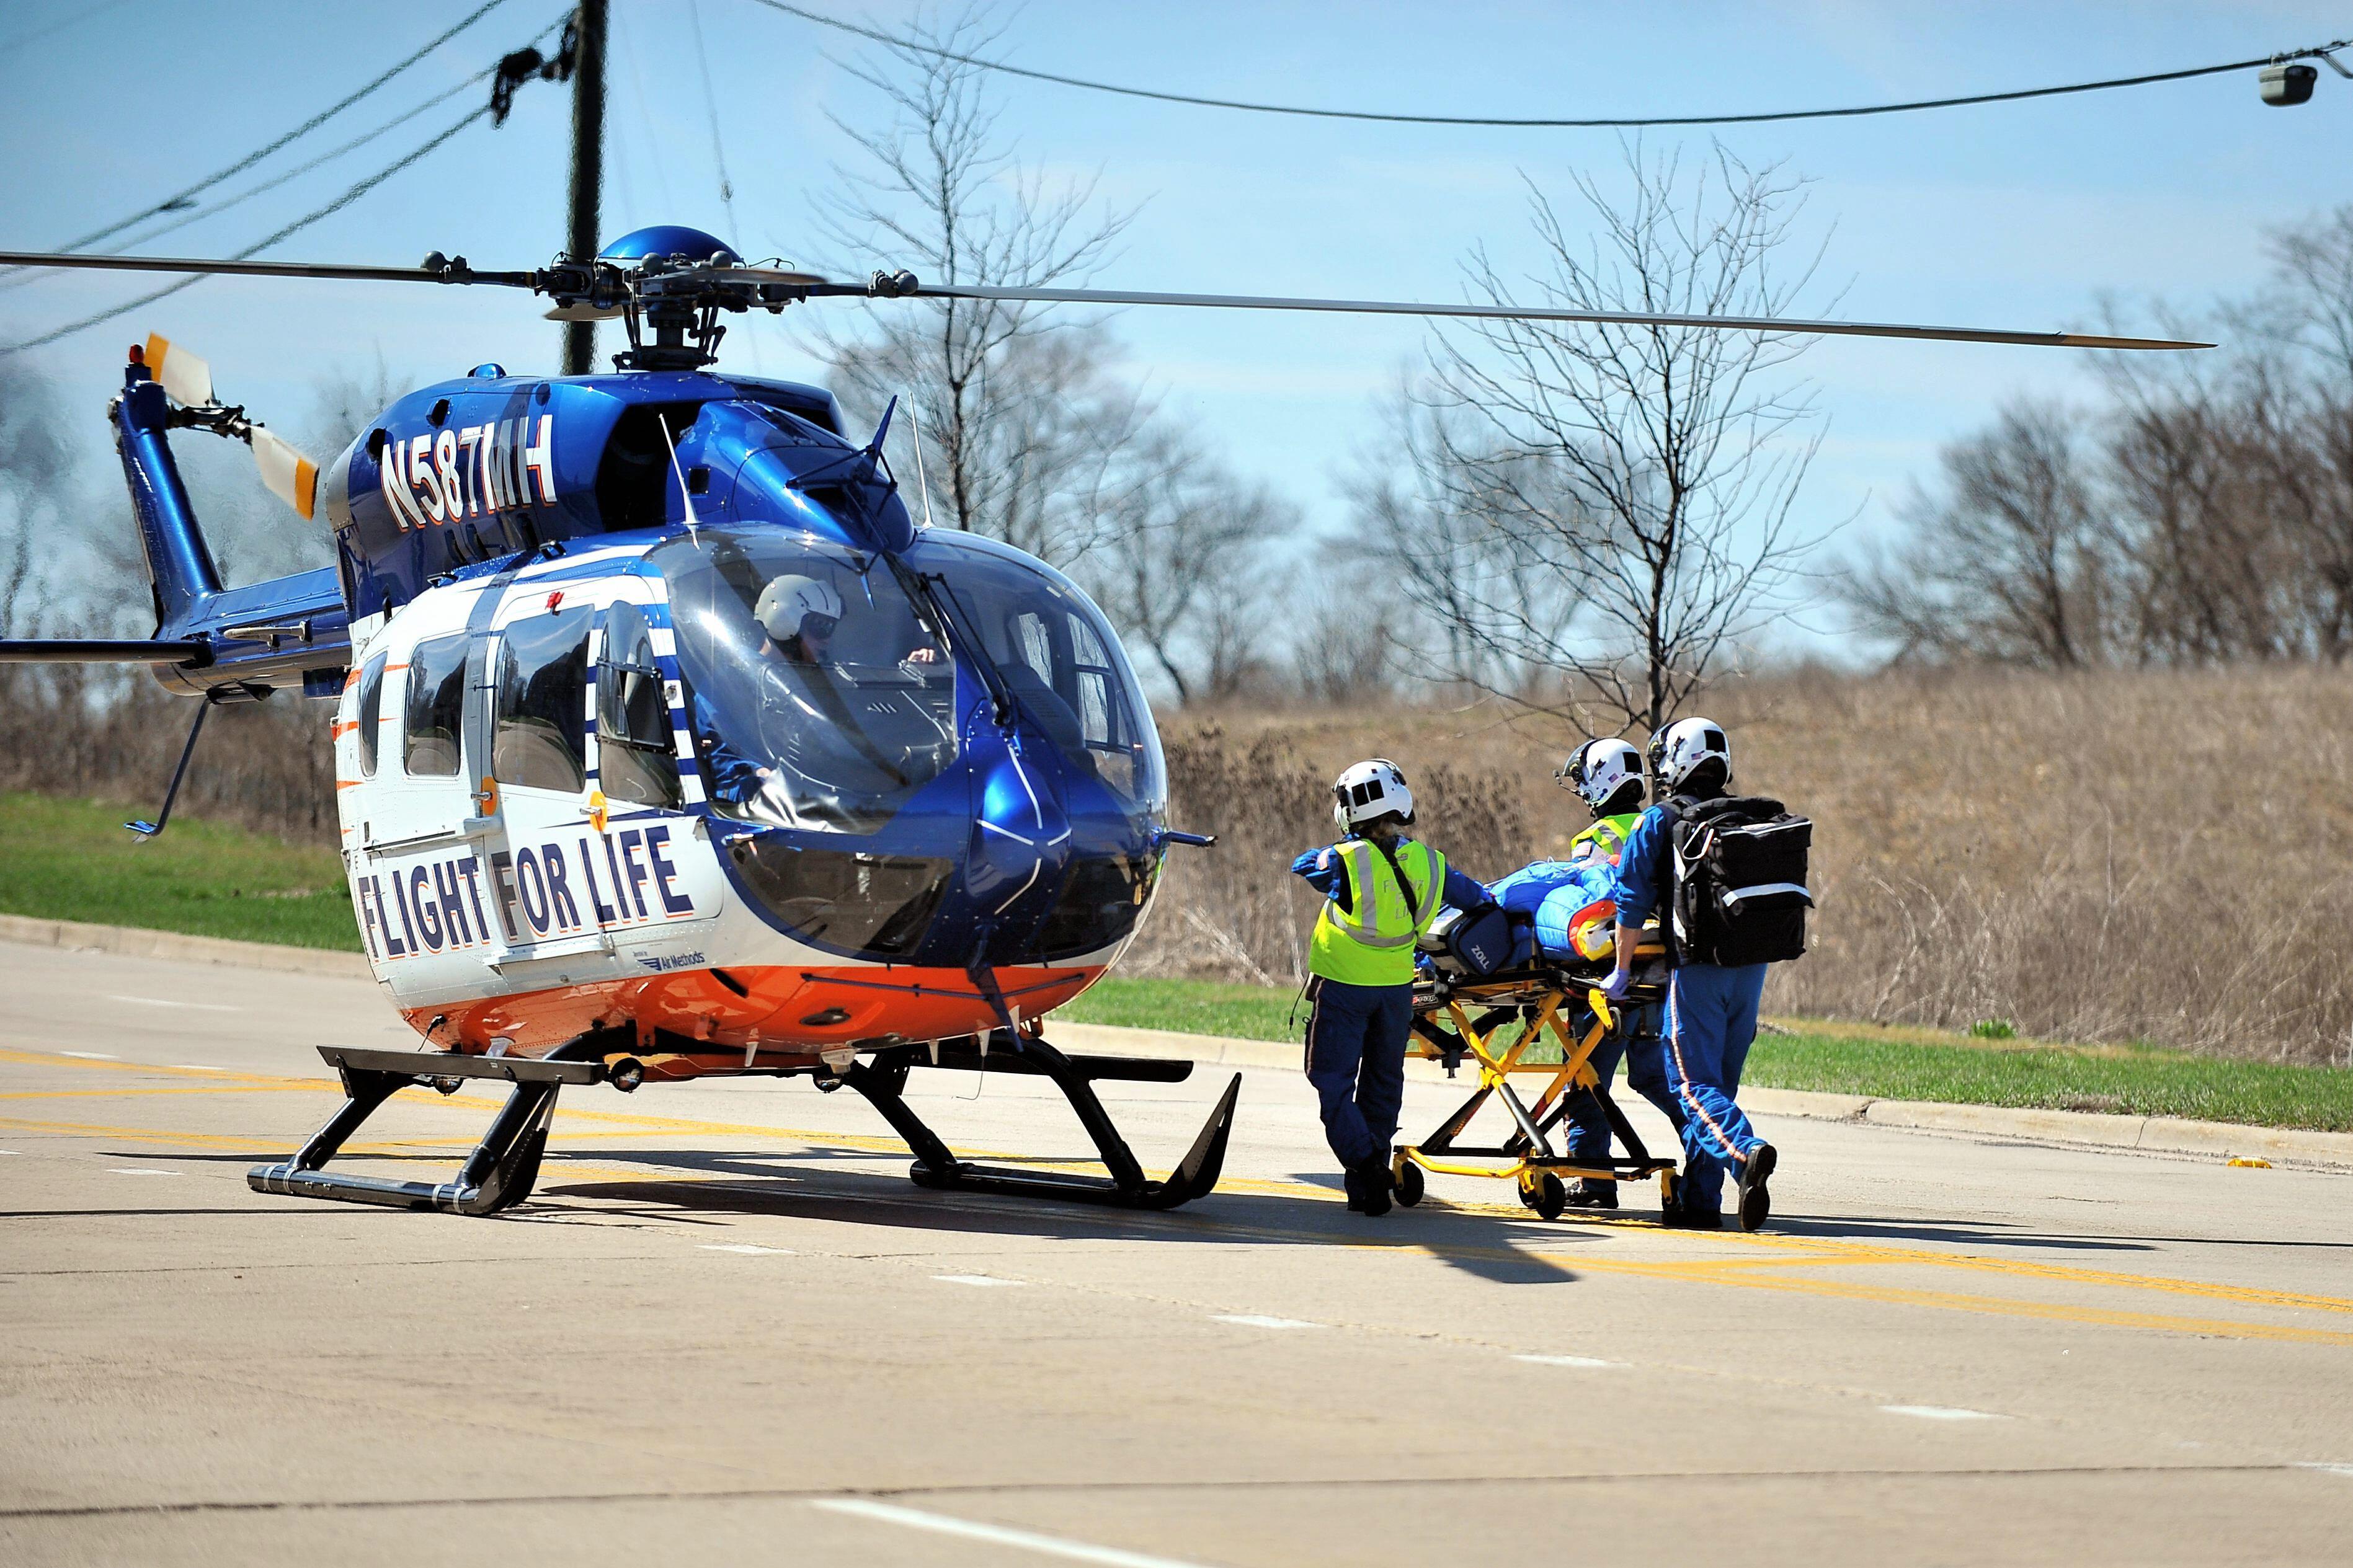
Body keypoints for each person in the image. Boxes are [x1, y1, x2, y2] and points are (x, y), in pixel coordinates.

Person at [1601, 718, 1778, 1231]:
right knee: (1718, 1084)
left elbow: (1629, 903)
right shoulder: (1746, 817)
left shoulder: (1657, 820)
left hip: (1699, 969)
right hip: (1752, 970)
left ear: (1676, 762)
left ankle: (1745, 1155)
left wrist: (1618, 971)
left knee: (1690, 1085)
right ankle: (1701, 1202)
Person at [1292, 759, 1488, 1216]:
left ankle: (1368, 1165)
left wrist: (1343, 845)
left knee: (1333, 1083)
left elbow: (1302, 864)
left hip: (1344, 988)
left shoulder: (1344, 861)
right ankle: (1368, 1187)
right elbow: (1478, 897)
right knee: (1383, 1085)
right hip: (1396, 991)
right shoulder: (1429, 861)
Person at [1552, 738, 1684, 1211]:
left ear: (1600, 781)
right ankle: (1703, 1151)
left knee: (1587, 1078)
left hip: (1609, 976)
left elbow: (1589, 906)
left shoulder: (1596, 838)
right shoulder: (1667, 826)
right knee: (1657, 1077)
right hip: (1661, 972)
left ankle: (1593, 1180)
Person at [693, 573, 942, 805]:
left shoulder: (824, 677)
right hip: (764, 808)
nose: (827, 638)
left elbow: (865, 719)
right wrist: (760, 774)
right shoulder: (731, 682)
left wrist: (906, 674)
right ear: (786, 621)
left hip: (831, 800)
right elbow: (721, 759)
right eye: (820, 626)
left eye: (831, 627)